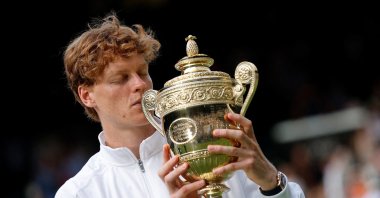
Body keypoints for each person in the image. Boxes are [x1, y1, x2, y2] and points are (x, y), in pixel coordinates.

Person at [55, 12, 305, 198]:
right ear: (87, 95)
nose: (140, 85)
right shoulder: (80, 192)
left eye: (143, 72)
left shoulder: (218, 148)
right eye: (120, 78)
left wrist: (272, 183)